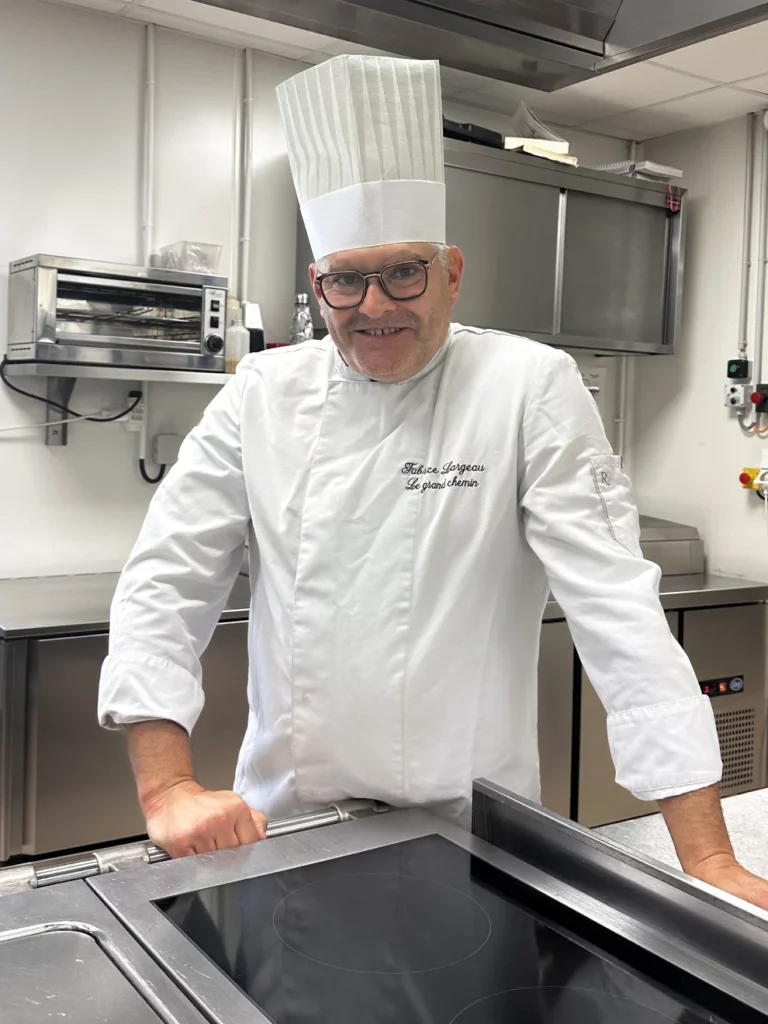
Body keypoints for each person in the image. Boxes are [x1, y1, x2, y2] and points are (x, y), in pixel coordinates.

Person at [99, 55, 768, 910]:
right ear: (318, 288)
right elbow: (165, 584)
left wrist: (706, 858)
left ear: (451, 273)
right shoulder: (261, 394)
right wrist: (168, 789)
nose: (375, 305)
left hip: (472, 833)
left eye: (404, 272)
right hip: (286, 830)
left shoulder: (527, 386)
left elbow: (618, 613)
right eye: (346, 279)